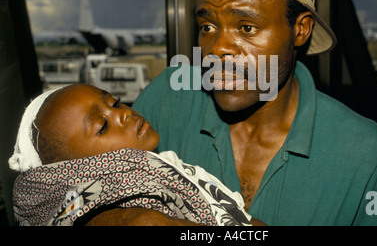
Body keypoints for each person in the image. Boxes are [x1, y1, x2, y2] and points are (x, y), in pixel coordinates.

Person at [132, 0, 377, 225]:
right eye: (207, 26)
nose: (217, 48)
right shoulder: (168, 98)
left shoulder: (362, 150)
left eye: (246, 27)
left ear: (301, 29)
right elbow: (84, 188)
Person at [8, 84, 256, 226]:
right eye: (102, 126)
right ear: (80, 170)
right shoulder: (126, 197)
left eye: (115, 103)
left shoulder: (166, 164)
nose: (123, 114)